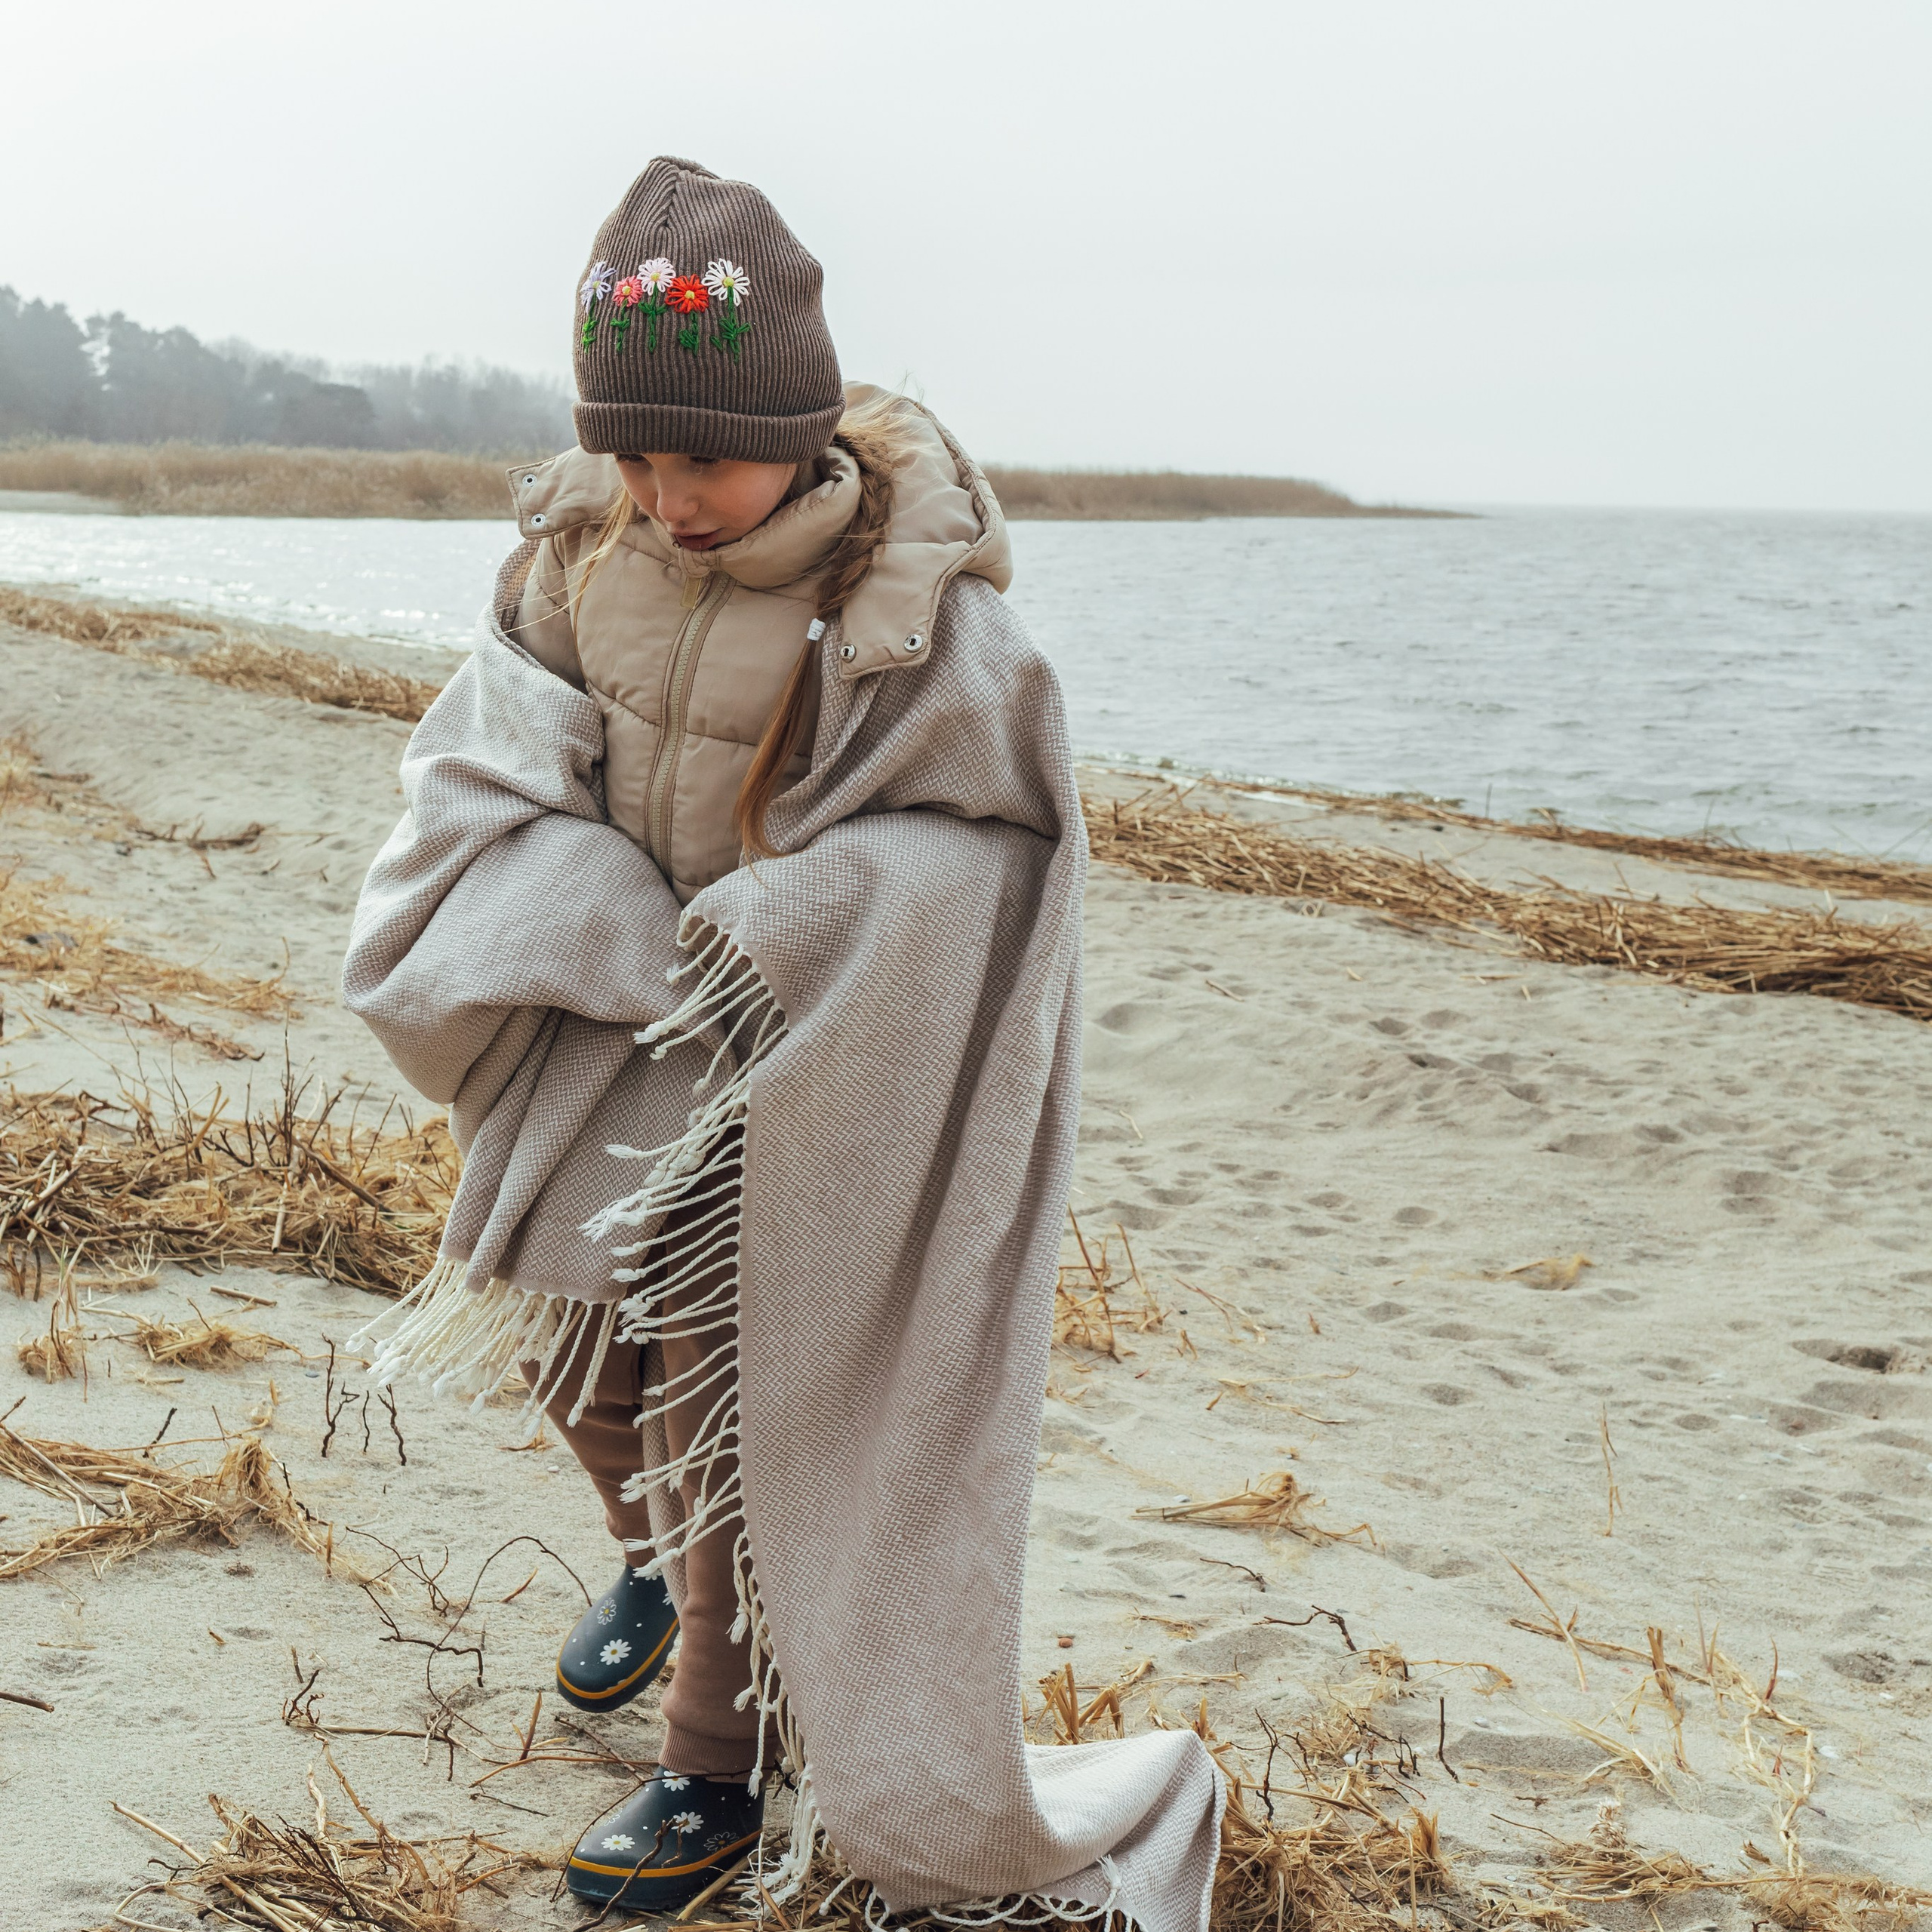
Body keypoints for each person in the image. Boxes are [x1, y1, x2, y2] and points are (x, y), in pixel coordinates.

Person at [343, 157, 1220, 1925]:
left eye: (705, 464)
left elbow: (996, 836)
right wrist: (563, 895)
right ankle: (654, 1561)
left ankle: (711, 1761)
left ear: (798, 435)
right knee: (566, 1336)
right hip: (617, 1010)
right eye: (635, 459)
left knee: (718, 1391)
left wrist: (808, 914)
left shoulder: (906, 606)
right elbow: (493, 747)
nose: (670, 499)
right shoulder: (577, 553)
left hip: (797, 1043)